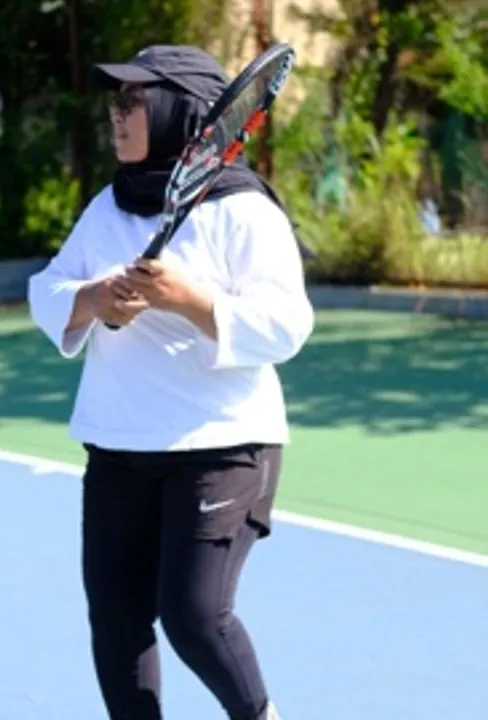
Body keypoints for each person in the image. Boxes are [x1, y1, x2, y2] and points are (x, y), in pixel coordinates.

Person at [28, 44, 314, 720]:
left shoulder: (246, 211)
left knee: (194, 615)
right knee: (116, 622)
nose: (117, 113)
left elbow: (286, 326)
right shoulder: (107, 206)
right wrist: (95, 298)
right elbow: (47, 290)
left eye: (134, 100)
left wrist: (190, 301)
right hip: (117, 447)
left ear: (178, 110)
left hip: (223, 447)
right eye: (115, 100)